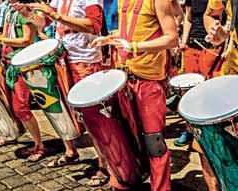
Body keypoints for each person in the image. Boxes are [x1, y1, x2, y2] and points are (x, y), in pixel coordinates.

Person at [90, 0, 178, 190]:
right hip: (123, 78)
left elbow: (172, 38)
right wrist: (109, 38)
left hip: (148, 81)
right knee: (124, 136)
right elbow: (129, 32)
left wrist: (135, 47)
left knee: (153, 142)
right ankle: (124, 182)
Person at [28, 0, 109, 186]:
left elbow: (94, 25)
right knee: (68, 112)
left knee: (92, 118)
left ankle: (104, 165)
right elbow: (44, 22)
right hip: (64, 60)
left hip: (85, 61)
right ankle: (71, 152)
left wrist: (55, 15)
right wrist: (29, 15)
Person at [0, 0, 80, 164]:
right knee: (21, 109)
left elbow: (26, 41)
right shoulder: (10, 11)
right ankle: (40, 143)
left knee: (49, 105)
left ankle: (64, 148)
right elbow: (6, 35)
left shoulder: (25, 12)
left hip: (30, 66)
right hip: (13, 65)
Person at [174, 0, 222, 147]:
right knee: (189, 92)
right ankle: (189, 130)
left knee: (210, 92)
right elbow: (188, 19)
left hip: (211, 48)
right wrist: (183, 41)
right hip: (192, 47)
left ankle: (212, 133)